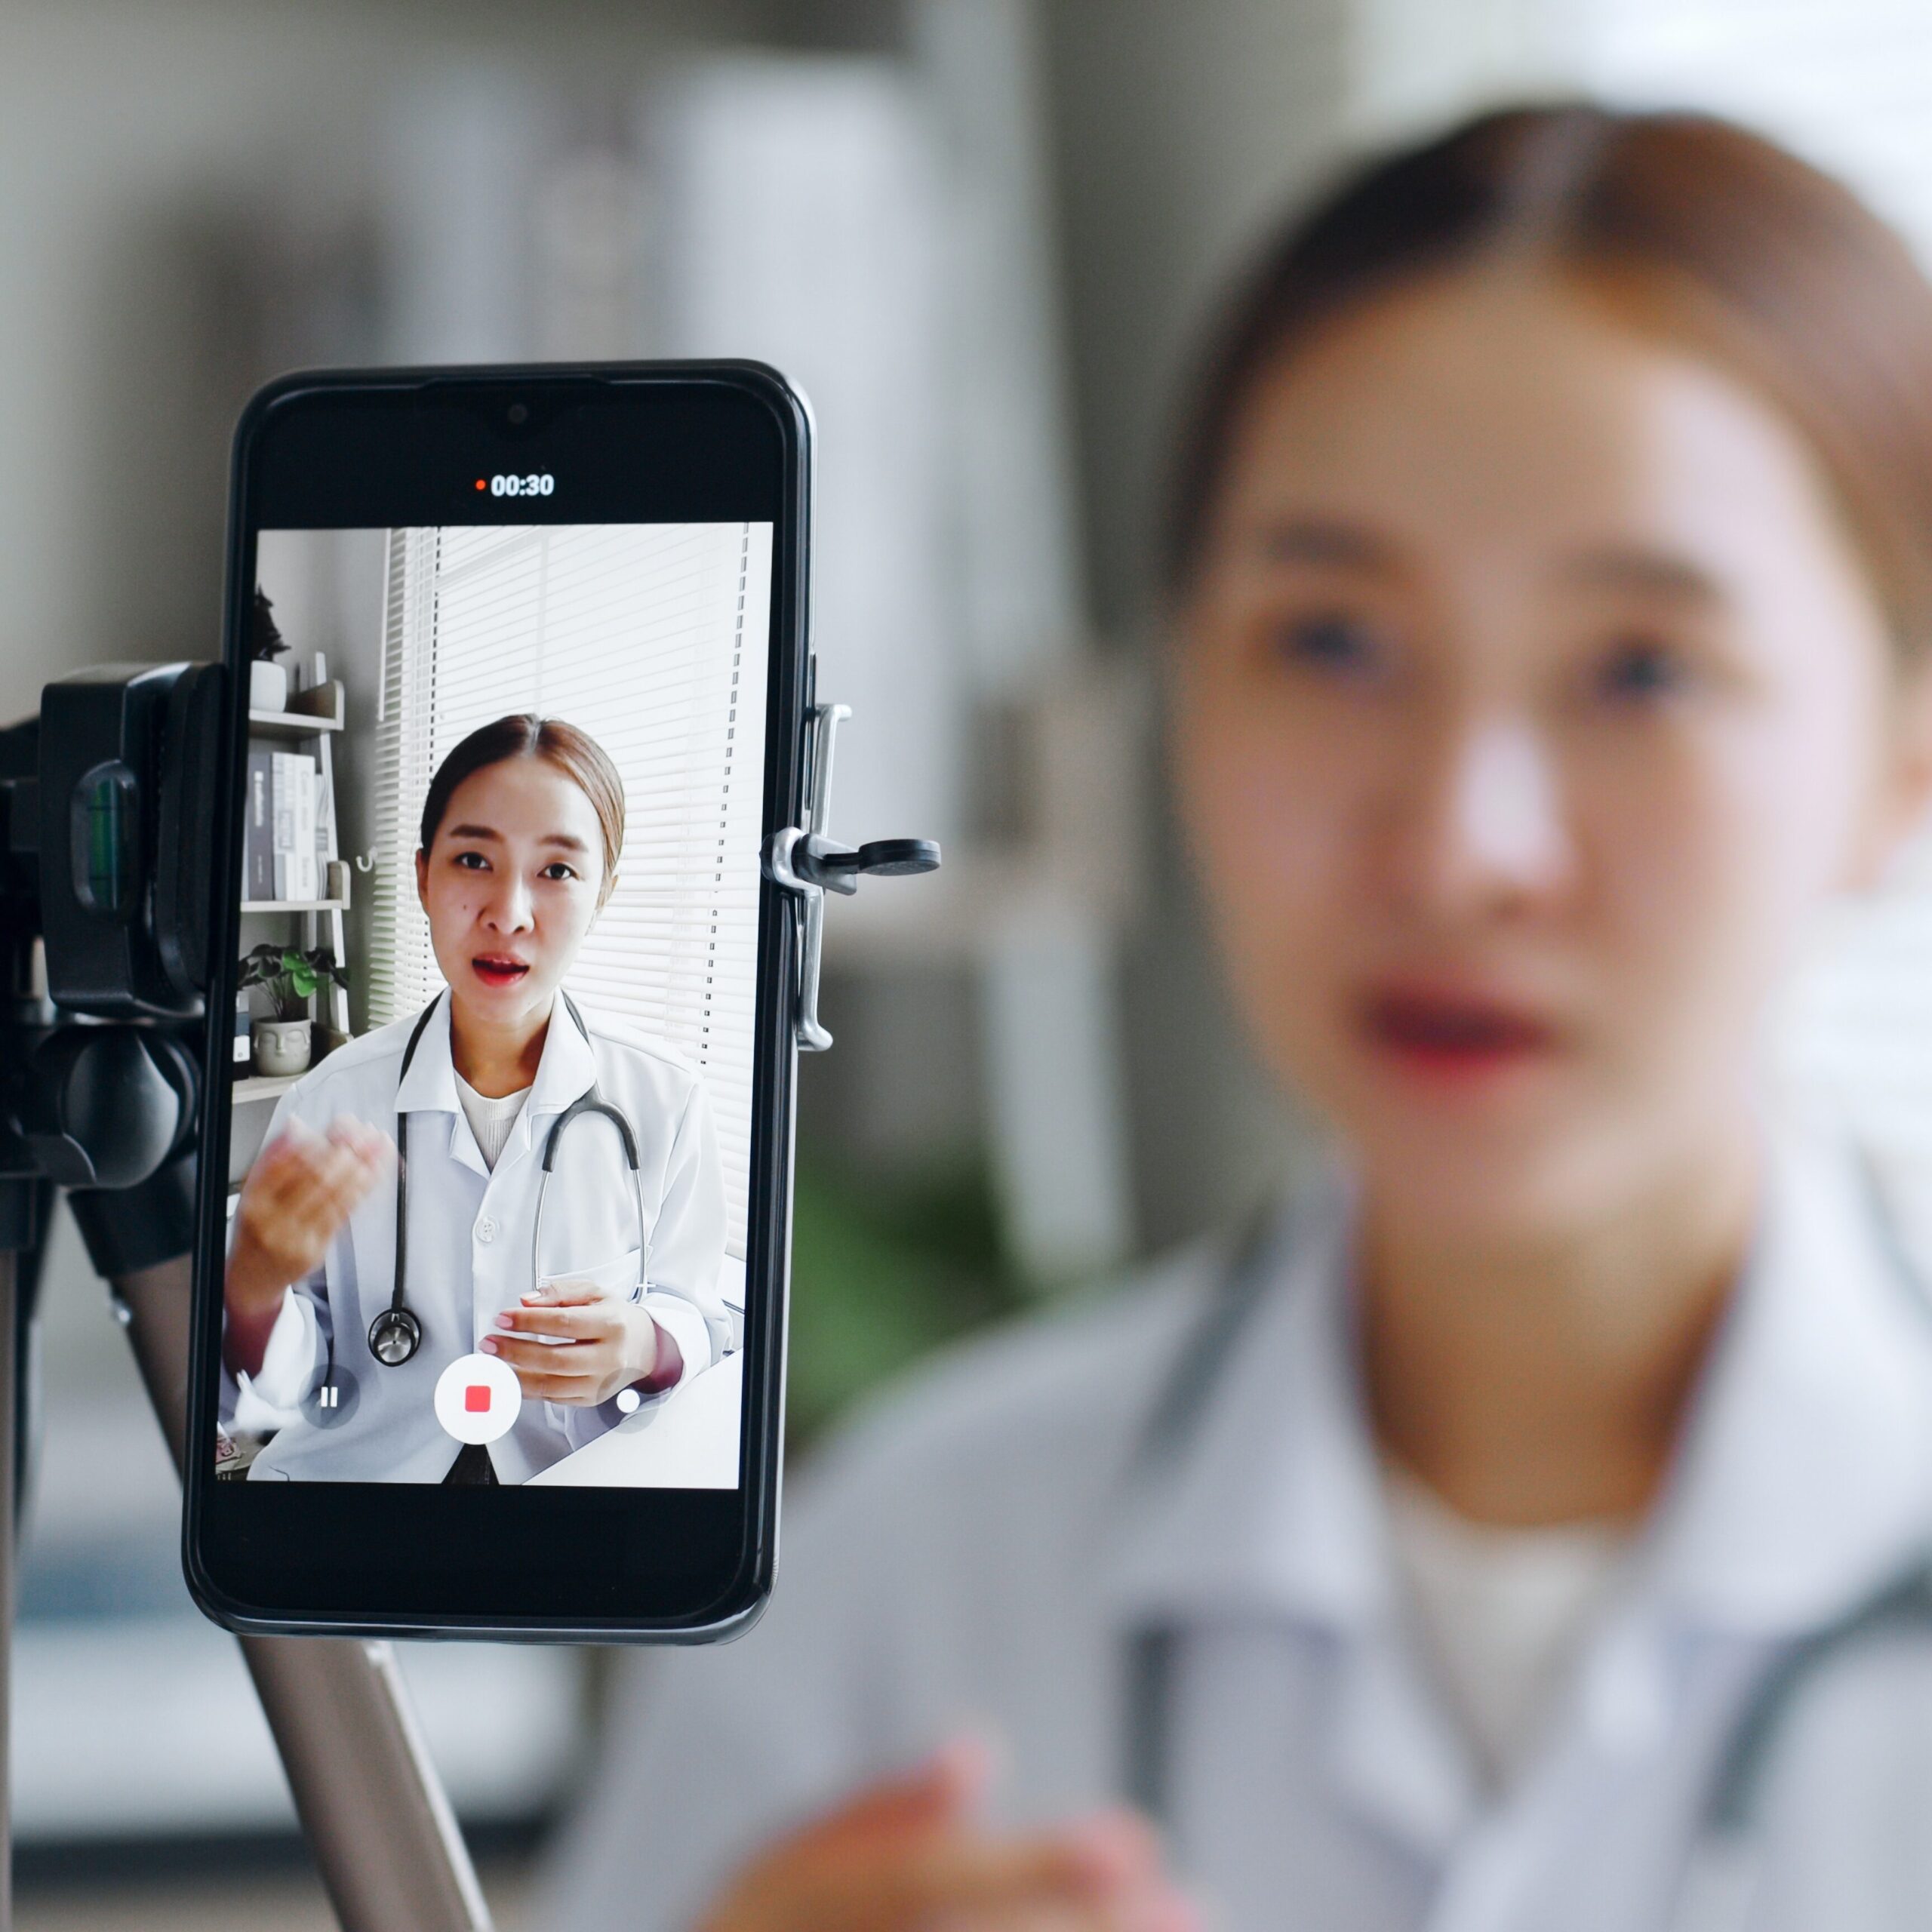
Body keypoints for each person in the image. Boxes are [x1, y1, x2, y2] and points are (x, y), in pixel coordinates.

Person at [543, 104, 1932, 1928]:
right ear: (1173, 689)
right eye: (1332, 640)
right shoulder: (897, 1568)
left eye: (1640, 669)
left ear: (1896, 761)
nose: (1458, 846)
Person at [223, 713, 730, 1484]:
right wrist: (254, 1289)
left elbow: (697, 1315)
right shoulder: (332, 1098)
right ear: (424, 876)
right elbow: (291, 1387)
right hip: (363, 1500)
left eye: (557, 871)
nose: (510, 913)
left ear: (604, 893)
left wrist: (644, 1345)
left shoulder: (666, 1099)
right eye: (473, 859)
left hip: (575, 1495)